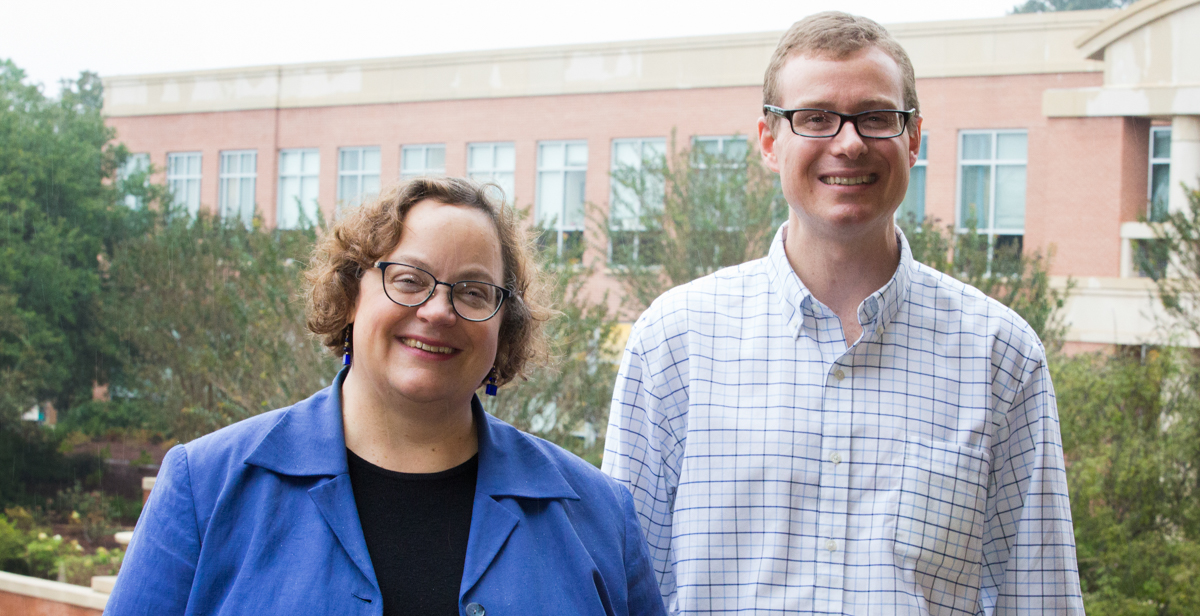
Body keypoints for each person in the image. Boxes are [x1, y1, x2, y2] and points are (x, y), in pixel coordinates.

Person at [602, 11, 1083, 615]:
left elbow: (1039, 598)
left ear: (913, 138)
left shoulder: (1000, 355)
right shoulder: (674, 341)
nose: (849, 142)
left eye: (877, 117)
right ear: (770, 141)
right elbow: (619, 589)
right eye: (815, 118)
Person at [105, 177, 666, 616]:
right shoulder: (205, 488)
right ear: (351, 294)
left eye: (474, 292)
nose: (438, 310)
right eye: (408, 279)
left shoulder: (596, 516)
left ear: (505, 328)